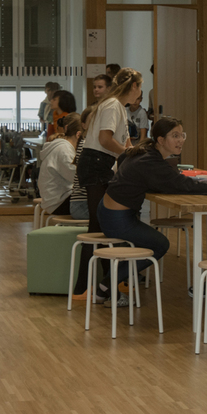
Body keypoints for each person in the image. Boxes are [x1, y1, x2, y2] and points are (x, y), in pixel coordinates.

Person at [95, 116, 207, 303]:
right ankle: (108, 284)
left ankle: (106, 285)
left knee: (152, 242)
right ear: (161, 140)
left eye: (182, 135)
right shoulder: (150, 161)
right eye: (175, 136)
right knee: (160, 244)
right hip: (118, 219)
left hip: (109, 212)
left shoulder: (145, 152)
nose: (181, 140)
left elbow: (130, 163)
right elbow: (185, 185)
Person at [70, 68, 143, 298]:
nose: (140, 93)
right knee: (97, 226)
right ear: (133, 86)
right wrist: (126, 153)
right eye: (140, 87)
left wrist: (134, 152)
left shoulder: (117, 107)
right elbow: (105, 139)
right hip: (96, 163)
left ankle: (106, 284)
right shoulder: (112, 105)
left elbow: (125, 142)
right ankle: (83, 288)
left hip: (98, 163)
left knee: (102, 224)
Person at [38, 113, 82, 217]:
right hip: (58, 203)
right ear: (78, 135)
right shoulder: (64, 150)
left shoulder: (63, 147)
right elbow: (77, 178)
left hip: (55, 199)